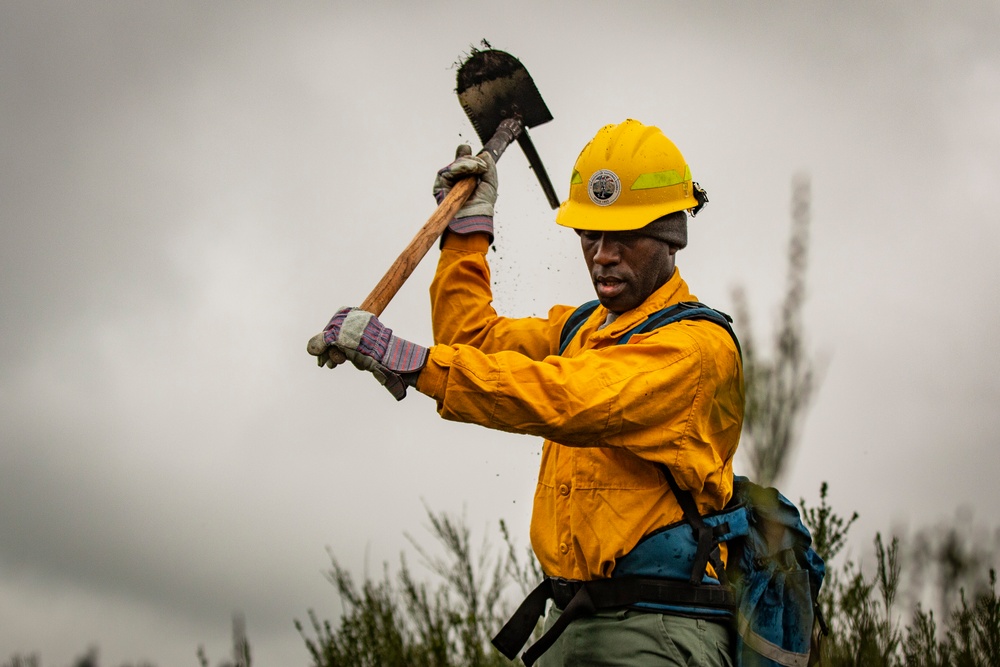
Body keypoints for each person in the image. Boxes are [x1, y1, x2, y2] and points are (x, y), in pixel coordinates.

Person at [309, 119, 744, 667]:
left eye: (624, 237)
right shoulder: (584, 330)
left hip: (659, 630)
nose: (603, 254)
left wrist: (412, 361)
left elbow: (569, 398)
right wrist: (466, 232)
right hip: (570, 622)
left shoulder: (696, 349)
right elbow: (472, 341)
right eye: (590, 235)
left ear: (669, 236)